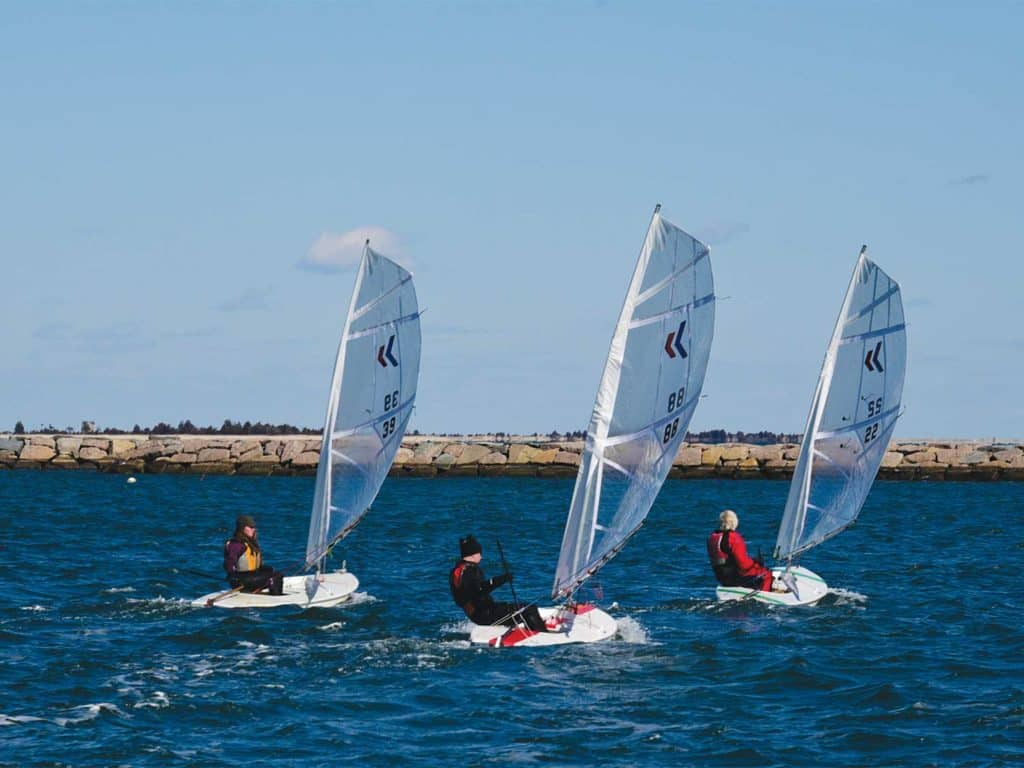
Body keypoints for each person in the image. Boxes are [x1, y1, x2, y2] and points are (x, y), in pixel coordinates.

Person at [449, 534, 549, 632]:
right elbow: (480, 589)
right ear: (472, 554)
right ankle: (543, 634)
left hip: (477, 614)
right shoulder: (471, 570)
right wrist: (502, 579)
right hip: (484, 615)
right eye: (479, 553)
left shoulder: (457, 570)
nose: (481, 557)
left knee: (513, 608)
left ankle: (528, 630)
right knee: (529, 609)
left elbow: (469, 594)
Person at [707, 509, 781, 592]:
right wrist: (756, 563)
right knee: (768, 574)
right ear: (733, 522)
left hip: (722, 578)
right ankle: (765, 598)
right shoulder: (733, 538)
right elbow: (743, 564)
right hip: (735, 578)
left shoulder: (712, 537)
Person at [223, 514, 284, 595]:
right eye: (251, 527)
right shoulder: (237, 544)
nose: (254, 530)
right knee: (275, 576)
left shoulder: (251, 543)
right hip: (240, 580)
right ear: (242, 528)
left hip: (250, 577)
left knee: (270, 570)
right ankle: (276, 597)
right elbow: (229, 563)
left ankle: (257, 589)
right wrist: (233, 577)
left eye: (254, 527)